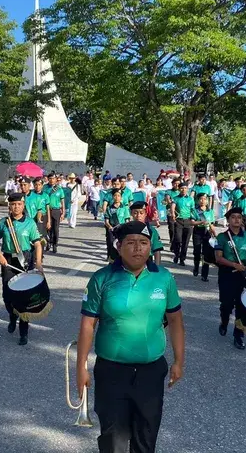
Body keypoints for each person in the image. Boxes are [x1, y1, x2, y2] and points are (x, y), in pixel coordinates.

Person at [76, 221, 185, 453]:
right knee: (113, 440)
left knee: (146, 436)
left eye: (144, 243)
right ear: (119, 246)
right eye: (131, 243)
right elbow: (88, 324)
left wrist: (178, 361)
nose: (138, 248)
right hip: (111, 372)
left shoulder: (164, 278)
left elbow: (175, 321)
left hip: (151, 371)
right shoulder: (101, 278)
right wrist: (81, 368)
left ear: (151, 246)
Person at [0, 193, 43, 346]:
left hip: (25, 260)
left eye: (19, 204)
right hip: (8, 260)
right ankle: (12, 316)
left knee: (24, 297)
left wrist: (38, 263)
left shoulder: (30, 223)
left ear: (23, 205)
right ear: (9, 206)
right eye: (13, 204)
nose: (16, 207)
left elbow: (37, 244)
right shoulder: (3, 223)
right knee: (7, 295)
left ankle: (23, 332)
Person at [214, 207, 246, 350]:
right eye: (233, 217)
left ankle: (238, 335)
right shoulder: (222, 237)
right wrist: (234, 264)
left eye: (239, 217)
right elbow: (218, 258)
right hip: (227, 274)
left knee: (242, 306)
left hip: (243, 275)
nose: (237, 219)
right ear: (228, 220)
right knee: (226, 304)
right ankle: (224, 321)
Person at [191, 193, 217, 281]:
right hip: (198, 232)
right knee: (197, 252)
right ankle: (196, 267)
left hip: (207, 233)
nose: (203, 201)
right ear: (198, 200)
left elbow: (212, 224)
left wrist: (215, 234)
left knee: (206, 254)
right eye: (201, 199)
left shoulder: (210, 211)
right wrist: (201, 222)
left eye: (205, 199)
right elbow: (192, 222)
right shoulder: (195, 210)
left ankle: (204, 275)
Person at [129, 201, 163, 265]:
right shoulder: (126, 229)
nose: (138, 216)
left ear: (145, 214)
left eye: (141, 213)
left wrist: (157, 267)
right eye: (135, 213)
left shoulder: (151, 230)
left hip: (147, 261)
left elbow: (157, 250)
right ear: (131, 214)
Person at [169, 182, 195, 266]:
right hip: (178, 221)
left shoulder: (190, 199)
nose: (183, 190)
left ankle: (182, 259)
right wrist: (173, 213)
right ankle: (177, 254)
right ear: (179, 189)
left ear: (187, 189)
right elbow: (173, 206)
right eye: (182, 188)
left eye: (185, 188)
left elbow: (193, 210)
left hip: (188, 221)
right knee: (178, 239)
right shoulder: (175, 198)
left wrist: (195, 219)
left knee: (185, 242)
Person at [104, 189, 130, 262]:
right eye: (115, 195)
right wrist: (110, 227)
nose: (117, 197)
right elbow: (106, 221)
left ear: (121, 198)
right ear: (112, 197)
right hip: (112, 229)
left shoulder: (124, 208)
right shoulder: (109, 208)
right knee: (111, 244)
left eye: (118, 196)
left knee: (122, 244)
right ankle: (111, 258)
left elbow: (127, 220)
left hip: (122, 229)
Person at [45, 174, 66, 253]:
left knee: (56, 229)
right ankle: (48, 242)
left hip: (56, 210)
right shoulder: (45, 188)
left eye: (53, 178)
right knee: (47, 228)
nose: (51, 180)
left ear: (56, 179)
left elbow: (62, 201)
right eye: (50, 178)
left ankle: (55, 244)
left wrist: (63, 212)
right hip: (47, 210)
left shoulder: (59, 189)